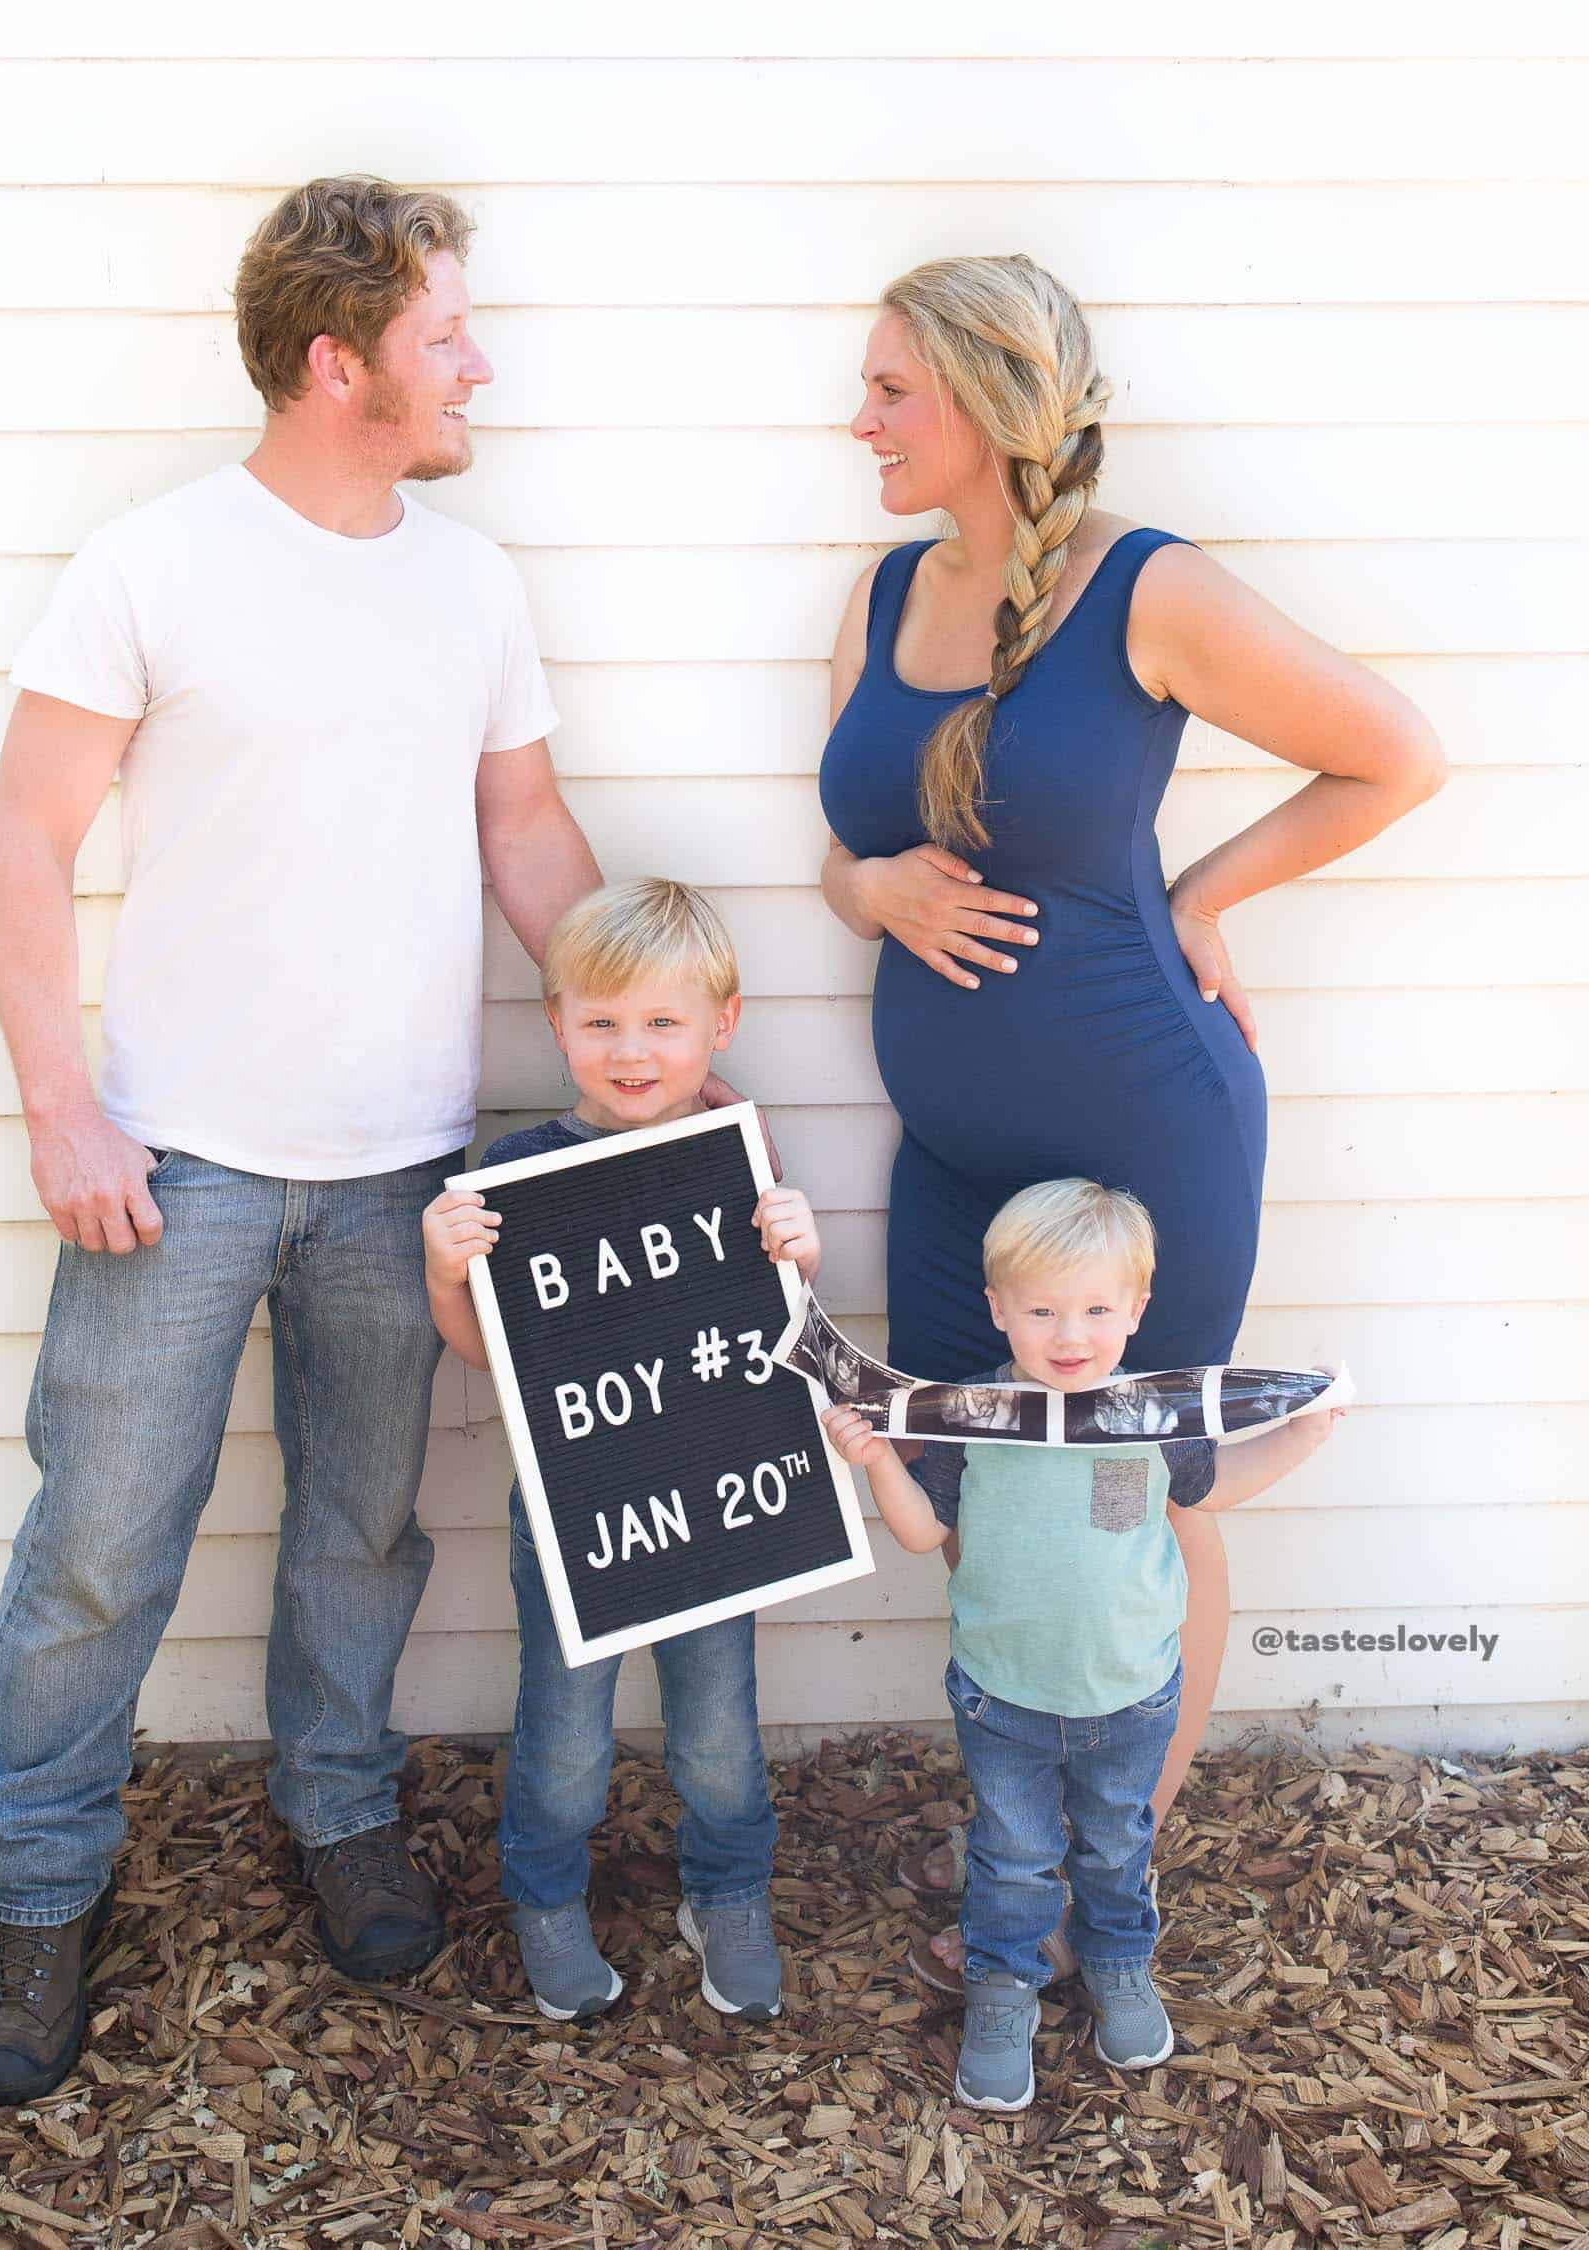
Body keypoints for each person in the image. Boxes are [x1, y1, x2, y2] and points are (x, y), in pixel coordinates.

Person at [0, 175, 607, 2104]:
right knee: (98, 1550)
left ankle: (336, 1811)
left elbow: (526, 839)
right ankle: (41, 1892)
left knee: (361, 1533)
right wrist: (61, 1106)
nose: (476, 359)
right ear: (341, 363)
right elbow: (19, 839)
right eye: (444, 333)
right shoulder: (151, 566)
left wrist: (660, 1039)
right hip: (168, 1165)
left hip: (406, 1170)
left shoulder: (472, 583)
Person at [816, 253, 1444, 1982]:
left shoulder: (1143, 588)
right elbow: (843, 850)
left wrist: (1206, 897)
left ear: (993, 405)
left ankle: (1114, 1885)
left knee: (1140, 1498)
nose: (853, 417)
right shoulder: (879, 596)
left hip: (1144, 1147)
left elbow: (1393, 752)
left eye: (889, 390)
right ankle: (1021, 1855)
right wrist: (870, 895)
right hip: (952, 1168)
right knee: (980, 1481)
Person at [822, 1179, 1342, 2111]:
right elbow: (917, 1531)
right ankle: (1002, 1987)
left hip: (1133, 1690)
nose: (1072, 1335)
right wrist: (872, 1466)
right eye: (1043, 1310)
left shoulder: (1153, 1413)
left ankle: (1118, 1966)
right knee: (1012, 1855)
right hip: (1004, 1696)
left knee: (1115, 1847)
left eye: (1099, 1309)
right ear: (999, 1310)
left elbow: (1210, 1490)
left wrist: (1302, 1440)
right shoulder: (970, 1415)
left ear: (1137, 1311)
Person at [423, 880, 821, 2025]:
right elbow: (486, 1352)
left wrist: (800, 1253)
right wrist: (448, 1271)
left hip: (716, 1496)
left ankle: (731, 1888)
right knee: (564, 1729)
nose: (632, 1051)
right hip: (578, 1502)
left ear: (721, 1027)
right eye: (601, 1023)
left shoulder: (732, 1157)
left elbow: (772, 1333)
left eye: (662, 1023)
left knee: (716, 1730)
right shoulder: (521, 1175)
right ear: (556, 1027)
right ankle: (545, 1896)